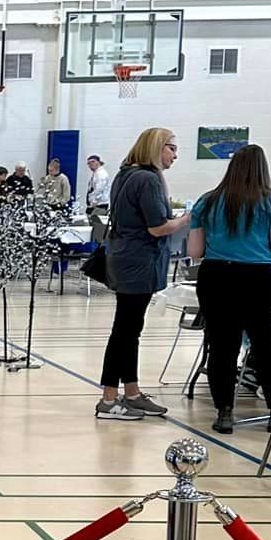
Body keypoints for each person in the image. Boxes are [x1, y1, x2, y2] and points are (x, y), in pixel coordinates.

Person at [188, 144, 271, 436]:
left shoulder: (207, 201)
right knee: (266, 346)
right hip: (257, 277)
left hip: (216, 276)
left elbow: (195, 251)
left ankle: (224, 412)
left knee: (221, 345)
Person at [96, 127, 188, 422]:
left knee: (127, 331)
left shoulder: (125, 174)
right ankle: (110, 399)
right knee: (125, 331)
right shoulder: (147, 179)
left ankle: (131, 392)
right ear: (157, 147)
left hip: (125, 259)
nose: (175, 154)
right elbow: (157, 227)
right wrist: (188, 218)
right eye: (171, 148)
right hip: (139, 263)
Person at [84, 154, 112, 242]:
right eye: (89, 163)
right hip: (95, 205)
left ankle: (98, 247)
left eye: (93, 162)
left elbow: (99, 189)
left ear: (99, 162)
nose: (91, 164)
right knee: (94, 227)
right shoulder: (96, 174)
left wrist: (93, 202)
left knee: (98, 229)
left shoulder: (101, 174)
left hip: (99, 205)